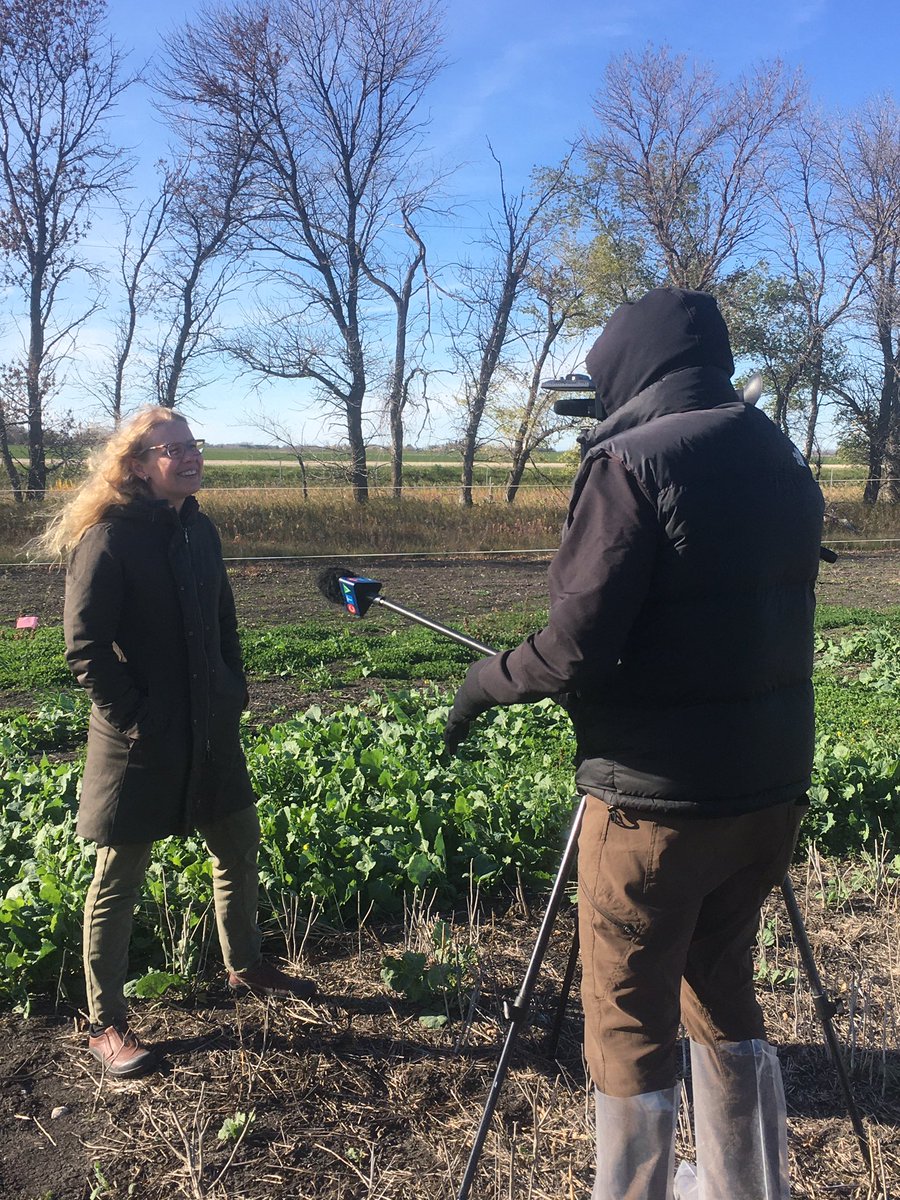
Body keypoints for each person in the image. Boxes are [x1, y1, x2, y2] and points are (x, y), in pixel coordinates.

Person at [444, 288, 825, 1199]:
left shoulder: (630, 461)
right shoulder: (779, 453)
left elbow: (575, 645)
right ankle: (745, 1188)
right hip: (768, 791)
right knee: (722, 987)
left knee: (625, 1020)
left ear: (629, 367)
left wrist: (484, 683)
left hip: (654, 801)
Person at [42, 406, 316, 1079]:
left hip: (210, 726)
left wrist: (232, 685)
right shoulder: (108, 539)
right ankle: (105, 1024)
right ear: (138, 465)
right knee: (118, 878)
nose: (190, 457)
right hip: (140, 740)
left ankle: (245, 965)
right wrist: (137, 718)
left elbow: (223, 619)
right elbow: (85, 650)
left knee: (238, 844)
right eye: (173, 449)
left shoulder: (201, 530)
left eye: (194, 445)